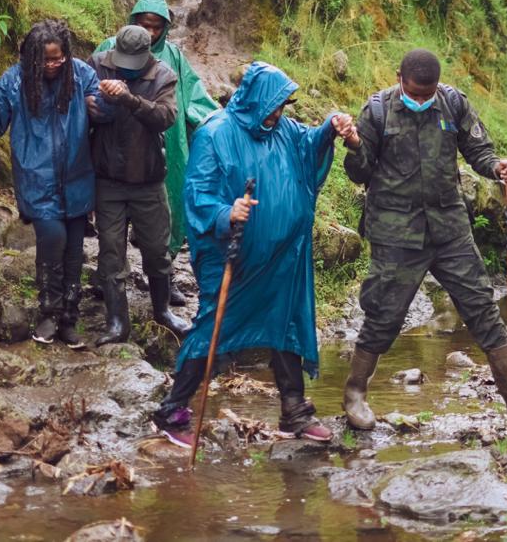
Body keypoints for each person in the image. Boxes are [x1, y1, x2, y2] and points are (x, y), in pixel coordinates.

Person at [341, 49, 507, 430]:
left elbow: (479, 151)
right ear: (399, 79)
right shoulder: (377, 111)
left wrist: (498, 167)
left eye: (429, 94)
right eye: (415, 93)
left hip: (449, 230)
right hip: (396, 234)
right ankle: (355, 394)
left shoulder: (453, 103)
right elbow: (359, 174)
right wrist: (356, 144)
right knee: (383, 316)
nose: (423, 100)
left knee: (482, 308)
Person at [150, 62, 358, 447]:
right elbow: (197, 195)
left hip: (283, 257)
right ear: (257, 100)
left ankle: (294, 411)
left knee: (286, 325)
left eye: (283, 106)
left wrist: (331, 125)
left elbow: (310, 145)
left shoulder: (283, 131)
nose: (278, 113)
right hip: (233, 258)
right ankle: (172, 410)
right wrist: (227, 213)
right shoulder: (215, 134)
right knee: (213, 327)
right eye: (274, 105)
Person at [0, 19, 108, 349]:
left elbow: (102, 110)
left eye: (59, 58)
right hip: (36, 176)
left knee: (74, 248)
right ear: (31, 58)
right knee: (53, 238)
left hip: (76, 176)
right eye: (46, 60)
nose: (54, 65)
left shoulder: (81, 73)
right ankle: (49, 313)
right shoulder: (15, 80)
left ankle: (69, 319)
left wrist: (109, 100)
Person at [96, 0, 219, 307]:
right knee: (111, 234)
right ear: (133, 21)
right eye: (144, 25)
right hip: (113, 156)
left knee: (166, 217)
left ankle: (165, 285)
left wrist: (218, 125)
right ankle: (110, 284)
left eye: (156, 27)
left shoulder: (173, 60)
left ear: (165, 27)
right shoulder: (108, 52)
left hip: (161, 151)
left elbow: (193, 99)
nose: (150, 33)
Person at [87, 25, 191, 345]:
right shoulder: (98, 64)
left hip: (148, 179)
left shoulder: (163, 76)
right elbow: (81, 102)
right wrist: (94, 106)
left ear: (148, 55)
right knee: (111, 253)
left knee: (157, 250)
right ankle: (118, 321)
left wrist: (130, 100)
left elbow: (165, 117)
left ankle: (162, 311)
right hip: (108, 179)